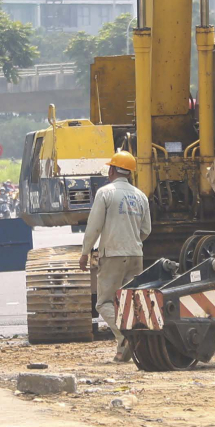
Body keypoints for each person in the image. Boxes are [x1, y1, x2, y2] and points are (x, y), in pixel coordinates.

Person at [78, 151, 151, 357]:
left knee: (104, 303)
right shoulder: (141, 196)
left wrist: (85, 253)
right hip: (136, 255)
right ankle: (123, 351)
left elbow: (94, 227)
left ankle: (125, 337)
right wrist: (132, 242)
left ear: (111, 170)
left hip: (112, 255)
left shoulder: (106, 193)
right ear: (130, 172)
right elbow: (146, 231)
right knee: (130, 302)